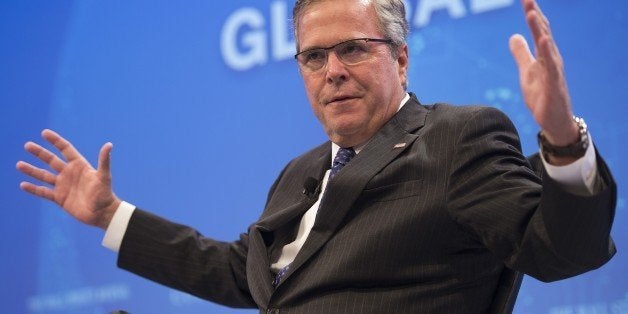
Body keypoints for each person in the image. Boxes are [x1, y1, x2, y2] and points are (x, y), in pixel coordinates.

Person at [17, 0, 616, 312]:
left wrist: (562, 141)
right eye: (313, 57)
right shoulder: (300, 173)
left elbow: (562, 250)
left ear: (401, 59)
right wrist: (111, 216)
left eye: (352, 49)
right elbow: (244, 277)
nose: (332, 72)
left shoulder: (456, 138)